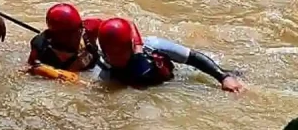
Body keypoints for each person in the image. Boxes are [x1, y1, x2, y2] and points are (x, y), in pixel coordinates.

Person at [96, 18, 245, 92]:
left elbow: (192, 57)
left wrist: (224, 77)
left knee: (236, 77)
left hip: (179, 79)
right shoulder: (101, 67)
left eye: (120, 53)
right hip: (149, 90)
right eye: (111, 55)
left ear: (132, 46)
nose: (116, 59)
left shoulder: (153, 46)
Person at [27, 3, 102, 76]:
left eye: (78, 30)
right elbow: (27, 69)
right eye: (69, 35)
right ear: (55, 37)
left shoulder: (89, 29)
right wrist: (53, 73)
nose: (77, 36)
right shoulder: (41, 48)